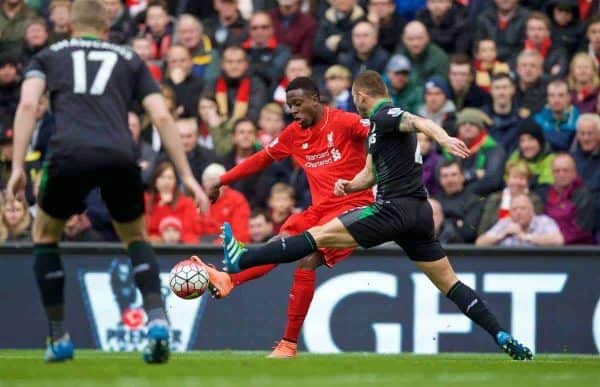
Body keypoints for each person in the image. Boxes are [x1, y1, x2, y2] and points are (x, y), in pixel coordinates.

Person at [217, 70, 533, 361]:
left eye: (356, 99)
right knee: (450, 283)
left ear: (362, 95)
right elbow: (369, 175)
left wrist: (443, 138)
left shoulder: (383, 115)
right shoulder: (375, 133)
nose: (355, 106)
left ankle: (242, 260)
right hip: (419, 215)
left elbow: (417, 120)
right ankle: (500, 333)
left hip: (391, 210)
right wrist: (348, 186)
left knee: (315, 238)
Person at [6, 0, 207, 364]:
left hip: (68, 154)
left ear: (69, 26)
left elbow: (26, 107)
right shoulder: (130, 59)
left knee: (45, 235)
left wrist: (18, 165)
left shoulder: (49, 55)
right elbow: (161, 114)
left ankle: (58, 337)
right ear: (105, 28)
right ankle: (158, 321)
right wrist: (186, 175)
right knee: (135, 237)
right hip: (119, 154)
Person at [196, 77, 375, 358]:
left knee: (307, 259)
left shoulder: (344, 122)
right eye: (289, 105)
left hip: (354, 208)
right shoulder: (294, 133)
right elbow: (261, 159)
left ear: (315, 100)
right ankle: (229, 280)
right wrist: (222, 179)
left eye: (298, 103)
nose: (292, 110)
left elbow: (382, 130)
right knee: (281, 241)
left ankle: (288, 344)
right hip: (319, 209)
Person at [478, 159, 544, 234]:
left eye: (522, 178)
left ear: (527, 182)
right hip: (496, 242)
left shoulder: (534, 200)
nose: (517, 182)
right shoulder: (495, 198)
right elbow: (482, 230)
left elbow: (537, 229)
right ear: (507, 179)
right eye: (514, 177)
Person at [145, 161, 202, 245]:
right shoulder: (146, 200)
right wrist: (161, 206)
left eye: (170, 178)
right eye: (162, 177)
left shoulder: (186, 202)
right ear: (155, 180)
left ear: (175, 181)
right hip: (155, 247)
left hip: (181, 247)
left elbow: (194, 231)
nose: (166, 181)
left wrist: (175, 238)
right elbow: (145, 229)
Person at [544, 153, 596, 244]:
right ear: (552, 174)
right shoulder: (547, 194)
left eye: (565, 170)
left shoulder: (583, 196)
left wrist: (558, 238)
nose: (561, 174)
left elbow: (581, 229)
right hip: (550, 246)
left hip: (577, 251)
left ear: (574, 173)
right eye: (557, 171)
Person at [475, 193, 564, 246]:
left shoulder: (543, 221)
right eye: (514, 209)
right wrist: (502, 235)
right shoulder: (505, 223)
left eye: (523, 208)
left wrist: (525, 237)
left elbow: (558, 240)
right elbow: (480, 243)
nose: (518, 212)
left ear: (532, 211)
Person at [533, 79, 580, 152]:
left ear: (568, 97)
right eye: (552, 95)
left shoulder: (579, 121)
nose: (556, 100)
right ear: (547, 98)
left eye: (561, 95)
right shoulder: (537, 120)